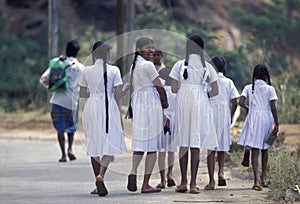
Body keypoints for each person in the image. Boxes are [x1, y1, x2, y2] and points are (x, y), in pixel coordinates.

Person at [169, 34, 219, 194]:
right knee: (195, 144)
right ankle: (193, 184)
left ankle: (183, 182)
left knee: (184, 143)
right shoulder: (208, 67)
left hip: (184, 102)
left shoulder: (179, 65)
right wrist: (203, 96)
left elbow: (173, 88)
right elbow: (215, 90)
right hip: (201, 104)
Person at [79, 41, 127, 196]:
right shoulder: (114, 70)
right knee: (109, 145)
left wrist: (94, 92)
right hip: (108, 107)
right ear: (107, 54)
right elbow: (118, 94)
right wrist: (126, 88)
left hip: (92, 107)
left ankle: (97, 180)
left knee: (93, 144)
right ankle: (101, 175)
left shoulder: (86, 70)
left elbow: (82, 93)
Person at [126, 37, 168, 194]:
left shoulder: (134, 66)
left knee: (139, 144)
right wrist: (165, 103)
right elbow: (159, 86)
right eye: (147, 48)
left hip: (138, 105)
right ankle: (145, 184)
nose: (151, 50)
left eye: (153, 47)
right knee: (152, 147)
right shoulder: (149, 65)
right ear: (139, 50)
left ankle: (133, 171)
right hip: (150, 104)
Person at [40, 40, 83, 162]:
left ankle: (63, 154)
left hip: (58, 100)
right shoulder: (80, 67)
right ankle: (70, 149)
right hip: (72, 102)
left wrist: (53, 86)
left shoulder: (58, 63)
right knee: (71, 127)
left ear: (66, 51)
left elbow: (43, 79)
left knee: (60, 128)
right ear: (77, 52)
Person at [237, 64, 279, 191]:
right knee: (265, 149)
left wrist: (248, 108)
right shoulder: (270, 89)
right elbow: (273, 107)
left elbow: (240, 102)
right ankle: (264, 177)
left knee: (254, 149)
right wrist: (277, 123)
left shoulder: (249, 88)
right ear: (266, 76)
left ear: (254, 76)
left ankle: (256, 181)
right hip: (266, 119)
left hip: (253, 119)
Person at [206, 56, 240, 190]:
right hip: (224, 116)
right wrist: (230, 116)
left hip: (211, 115)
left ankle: (211, 181)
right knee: (221, 147)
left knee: (211, 149)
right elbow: (235, 101)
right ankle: (220, 173)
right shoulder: (229, 82)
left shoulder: (208, 82)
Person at [156, 66, 177, 189]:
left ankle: (162, 179)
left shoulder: (159, 91)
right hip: (174, 121)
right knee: (171, 151)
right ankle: (170, 175)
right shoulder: (176, 92)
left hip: (162, 120)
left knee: (161, 152)